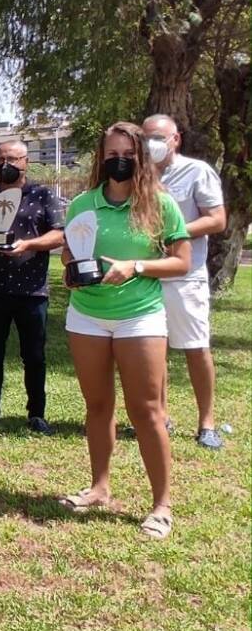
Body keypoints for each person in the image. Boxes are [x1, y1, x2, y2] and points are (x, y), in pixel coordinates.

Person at [59, 121, 190, 540]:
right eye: (111, 154)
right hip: (87, 316)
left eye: (127, 154)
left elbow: (181, 261)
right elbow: (68, 256)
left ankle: (162, 505)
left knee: (147, 412)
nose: (119, 161)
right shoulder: (82, 204)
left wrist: (135, 266)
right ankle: (99, 487)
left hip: (140, 316)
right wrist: (72, 273)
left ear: (141, 157)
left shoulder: (160, 204)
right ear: (102, 158)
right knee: (97, 406)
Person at [0, 140, 65, 434]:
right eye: (1, 158)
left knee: (34, 355)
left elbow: (58, 235)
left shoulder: (42, 195)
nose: (6, 164)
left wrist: (28, 245)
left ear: (25, 162)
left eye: (13, 158)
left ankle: (37, 413)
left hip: (32, 291)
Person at [142, 114, 228, 449]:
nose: (152, 143)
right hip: (147, 274)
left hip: (185, 276)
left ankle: (206, 423)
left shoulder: (197, 171)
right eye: (147, 136)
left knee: (195, 347)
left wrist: (175, 232)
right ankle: (159, 416)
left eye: (159, 137)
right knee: (152, 349)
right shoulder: (140, 174)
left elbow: (217, 219)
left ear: (175, 139)